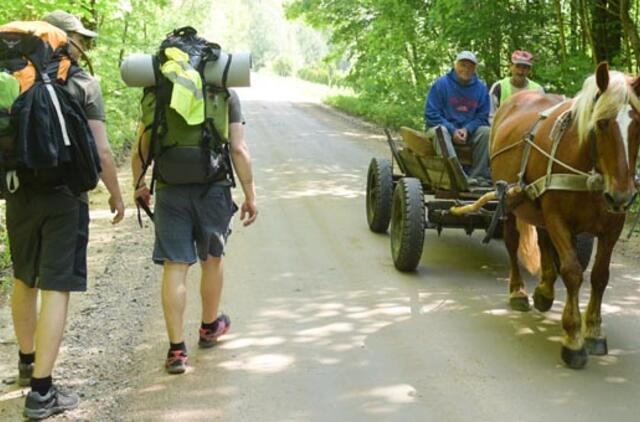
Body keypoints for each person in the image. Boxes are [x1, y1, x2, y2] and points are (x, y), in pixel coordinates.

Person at [5, 10, 125, 420]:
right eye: (82, 39)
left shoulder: (11, 77)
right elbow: (103, 151)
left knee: (24, 277)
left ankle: (25, 363)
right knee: (56, 285)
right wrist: (116, 194)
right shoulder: (83, 84)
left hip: (18, 192)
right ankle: (42, 392)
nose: (86, 46)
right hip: (65, 196)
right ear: (66, 40)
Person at [131, 43, 258, 375]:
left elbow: (142, 146)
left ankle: (176, 351)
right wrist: (250, 194)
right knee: (211, 260)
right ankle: (209, 327)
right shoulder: (222, 91)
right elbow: (238, 148)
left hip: (171, 188)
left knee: (175, 266)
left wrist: (139, 184)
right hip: (213, 187)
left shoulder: (159, 88)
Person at [424, 50, 491, 186]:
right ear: (455, 65)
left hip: (468, 133)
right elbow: (431, 114)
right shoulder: (441, 84)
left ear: (474, 69)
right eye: (462, 65)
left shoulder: (481, 88)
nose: (465, 69)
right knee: (440, 130)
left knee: (486, 132)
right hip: (442, 131)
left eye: (470, 66)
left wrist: (467, 129)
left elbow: (482, 116)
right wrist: (452, 130)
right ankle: (456, 175)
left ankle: (479, 177)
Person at [489, 50, 544, 122]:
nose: (520, 71)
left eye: (524, 68)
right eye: (517, 66)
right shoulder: (498, 87)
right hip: (502, 129)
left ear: (529, 70)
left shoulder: (537, 90)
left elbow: (542, 117)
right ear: (510, 66)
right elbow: (491, 115)